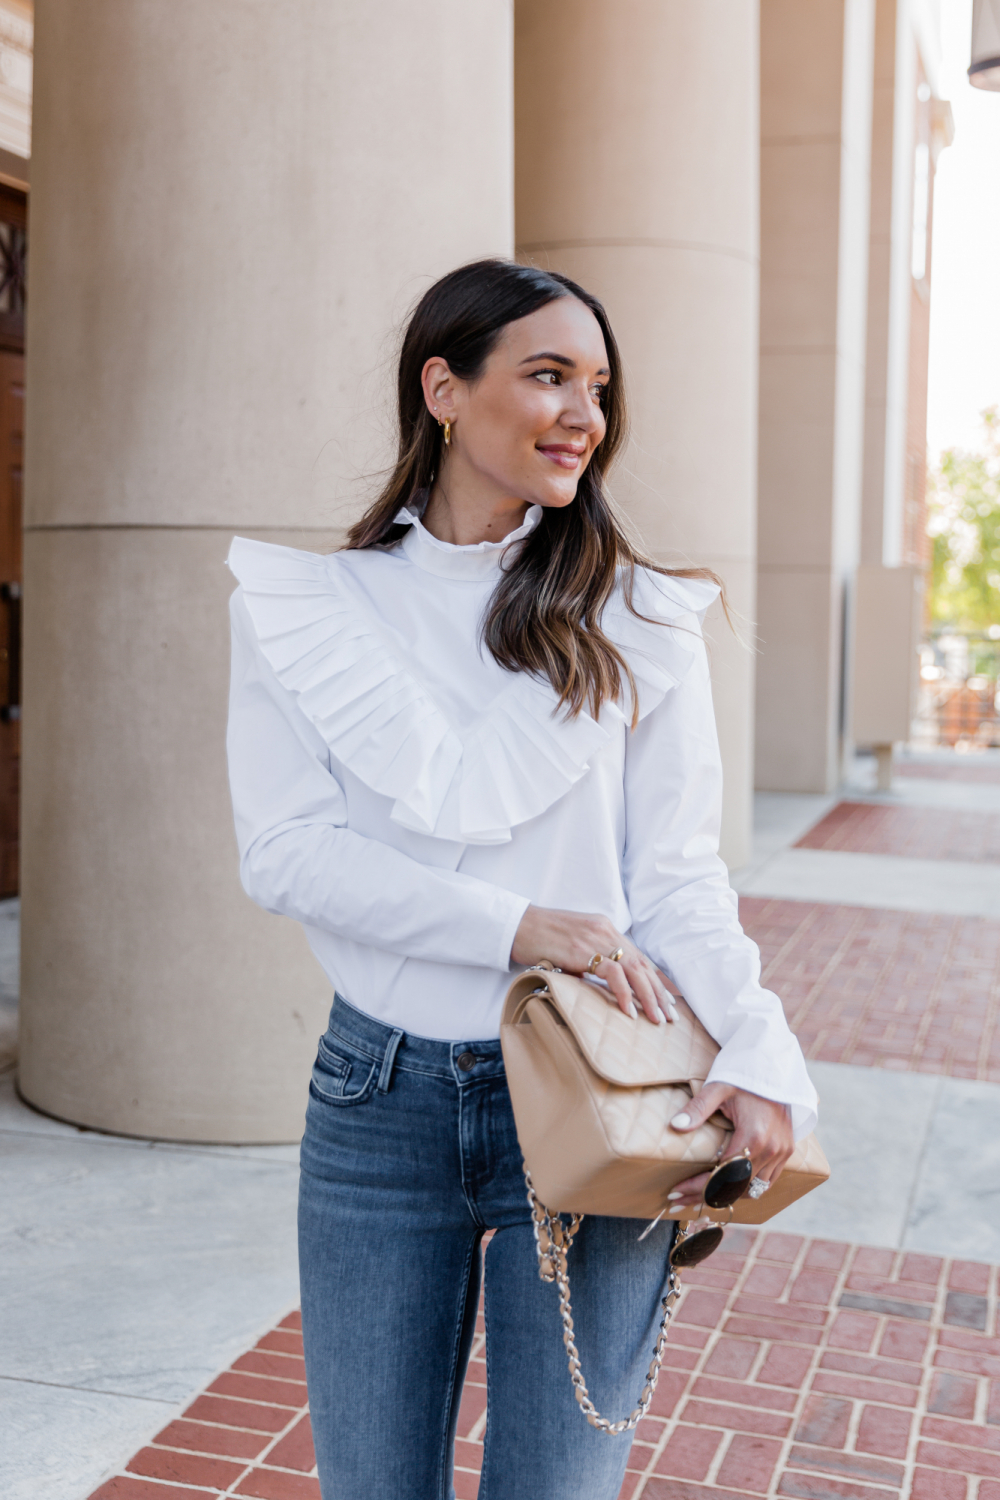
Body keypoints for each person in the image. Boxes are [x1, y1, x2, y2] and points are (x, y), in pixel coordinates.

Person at [225, 259, 818, 1500]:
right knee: (373, 1484)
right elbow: (284, 853)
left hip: (601, 1087)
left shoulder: (639, 616)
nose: (581, 416)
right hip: (378, 1096)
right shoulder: (310, 608)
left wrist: (754, 1039)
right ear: (443, 389)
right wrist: (515, 928)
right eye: (546, 375)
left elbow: (674, 874)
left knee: (557, 1485)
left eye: (596, 387)